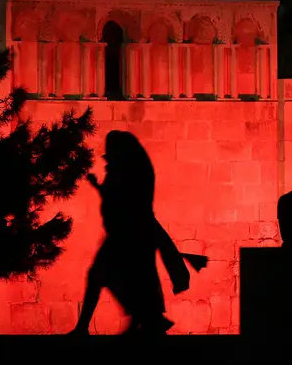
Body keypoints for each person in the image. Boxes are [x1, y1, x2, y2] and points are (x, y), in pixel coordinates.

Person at [70, 131, 206, 336]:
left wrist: (102, 188)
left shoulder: (127, 173)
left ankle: (143, 320)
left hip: (127, 235)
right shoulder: (127, 171)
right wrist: (99, 187)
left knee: (103, 275)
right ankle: (147, 319)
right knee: (130, 279)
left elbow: (124, 201)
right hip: (127, 234)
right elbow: (118, 199)